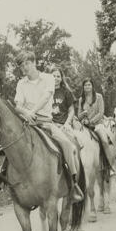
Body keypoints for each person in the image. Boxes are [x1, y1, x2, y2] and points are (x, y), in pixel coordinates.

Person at [14, 51, 84, 202]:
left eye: (26, 63)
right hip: (27, 124)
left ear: (34, 62)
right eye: (21, 66)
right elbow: (18, 106)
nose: (24, 68)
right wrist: (27, 114)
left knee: (67, 145)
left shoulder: (48, 78)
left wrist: (32, 112)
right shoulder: (21, 83)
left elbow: (46, 97)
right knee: (12, 146)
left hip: (45, 123)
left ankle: (73, 184)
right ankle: (7, 183)